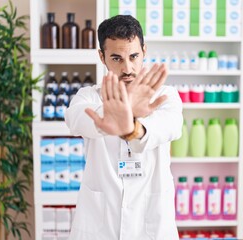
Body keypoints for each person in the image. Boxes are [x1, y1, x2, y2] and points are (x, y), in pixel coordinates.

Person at [65, 15, 183, 240]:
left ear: (144, 51)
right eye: (116, 58)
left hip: (152, 227)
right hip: (99, 228)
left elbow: (170, 127)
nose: (127, 68)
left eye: (134, 56)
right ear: (102, 56)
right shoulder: (87, 97)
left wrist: (132, 128)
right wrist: (119, 112)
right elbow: (76, 120)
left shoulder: (166, 96)